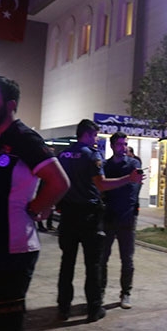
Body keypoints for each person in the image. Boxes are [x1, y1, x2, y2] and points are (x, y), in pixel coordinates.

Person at [0, 76, 70, 330]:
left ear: (10, 105)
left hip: (11, 252)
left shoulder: (24, 139)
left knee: (5, 325)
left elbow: (59, 182)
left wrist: (35, 208)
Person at [56, 119, 144, 323]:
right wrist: (128, 179)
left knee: (67, 263)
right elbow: (101, 185)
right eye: (95, 135)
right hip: (89, 216)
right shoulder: (92, 156)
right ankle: (94, 307)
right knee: (94, 263)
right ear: (87, 134)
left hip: (69, 216)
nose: (96, 140)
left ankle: (63, 308)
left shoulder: (63, 155)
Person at [101, 132, 141, 310]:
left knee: (127, 259)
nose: (123, 148)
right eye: (119, 144)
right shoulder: (105, 165)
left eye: (125, 144)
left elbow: (134, 189)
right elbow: (102, 186)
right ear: (112, 146)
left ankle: (126, 293)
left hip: (127, 217)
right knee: (102, 258)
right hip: (108, 216)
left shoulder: (133, 164)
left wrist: (132, 210)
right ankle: (100, 292)